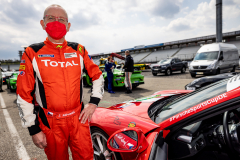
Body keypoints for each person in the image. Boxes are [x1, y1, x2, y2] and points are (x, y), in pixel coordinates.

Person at [16, 4, 104, 160]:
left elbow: (97, 76)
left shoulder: (79, 50)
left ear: (68, 26)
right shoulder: (32, 52)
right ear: (43, 23)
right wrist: (33, 129)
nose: (56, 22)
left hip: (79, 119)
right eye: (51, 18)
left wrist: (93, 103)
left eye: (61, 19)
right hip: (50, 123)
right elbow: (23, 94)